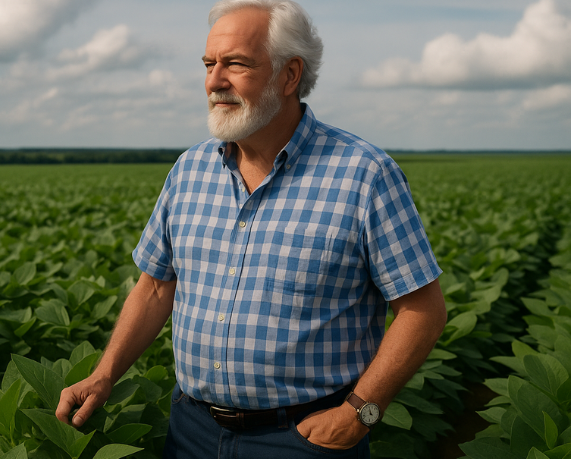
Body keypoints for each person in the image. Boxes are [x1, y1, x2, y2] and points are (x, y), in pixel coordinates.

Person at [56, 0, 447, 457]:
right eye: (209, 64)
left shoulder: (364, 174)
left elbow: (423, 310)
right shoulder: (190, 170)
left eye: (236, 64)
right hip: (192, 429)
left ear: (289, 75)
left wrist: (360, 411)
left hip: (304, 437)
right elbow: (157, 287)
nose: (214, 81)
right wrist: (104, 375)